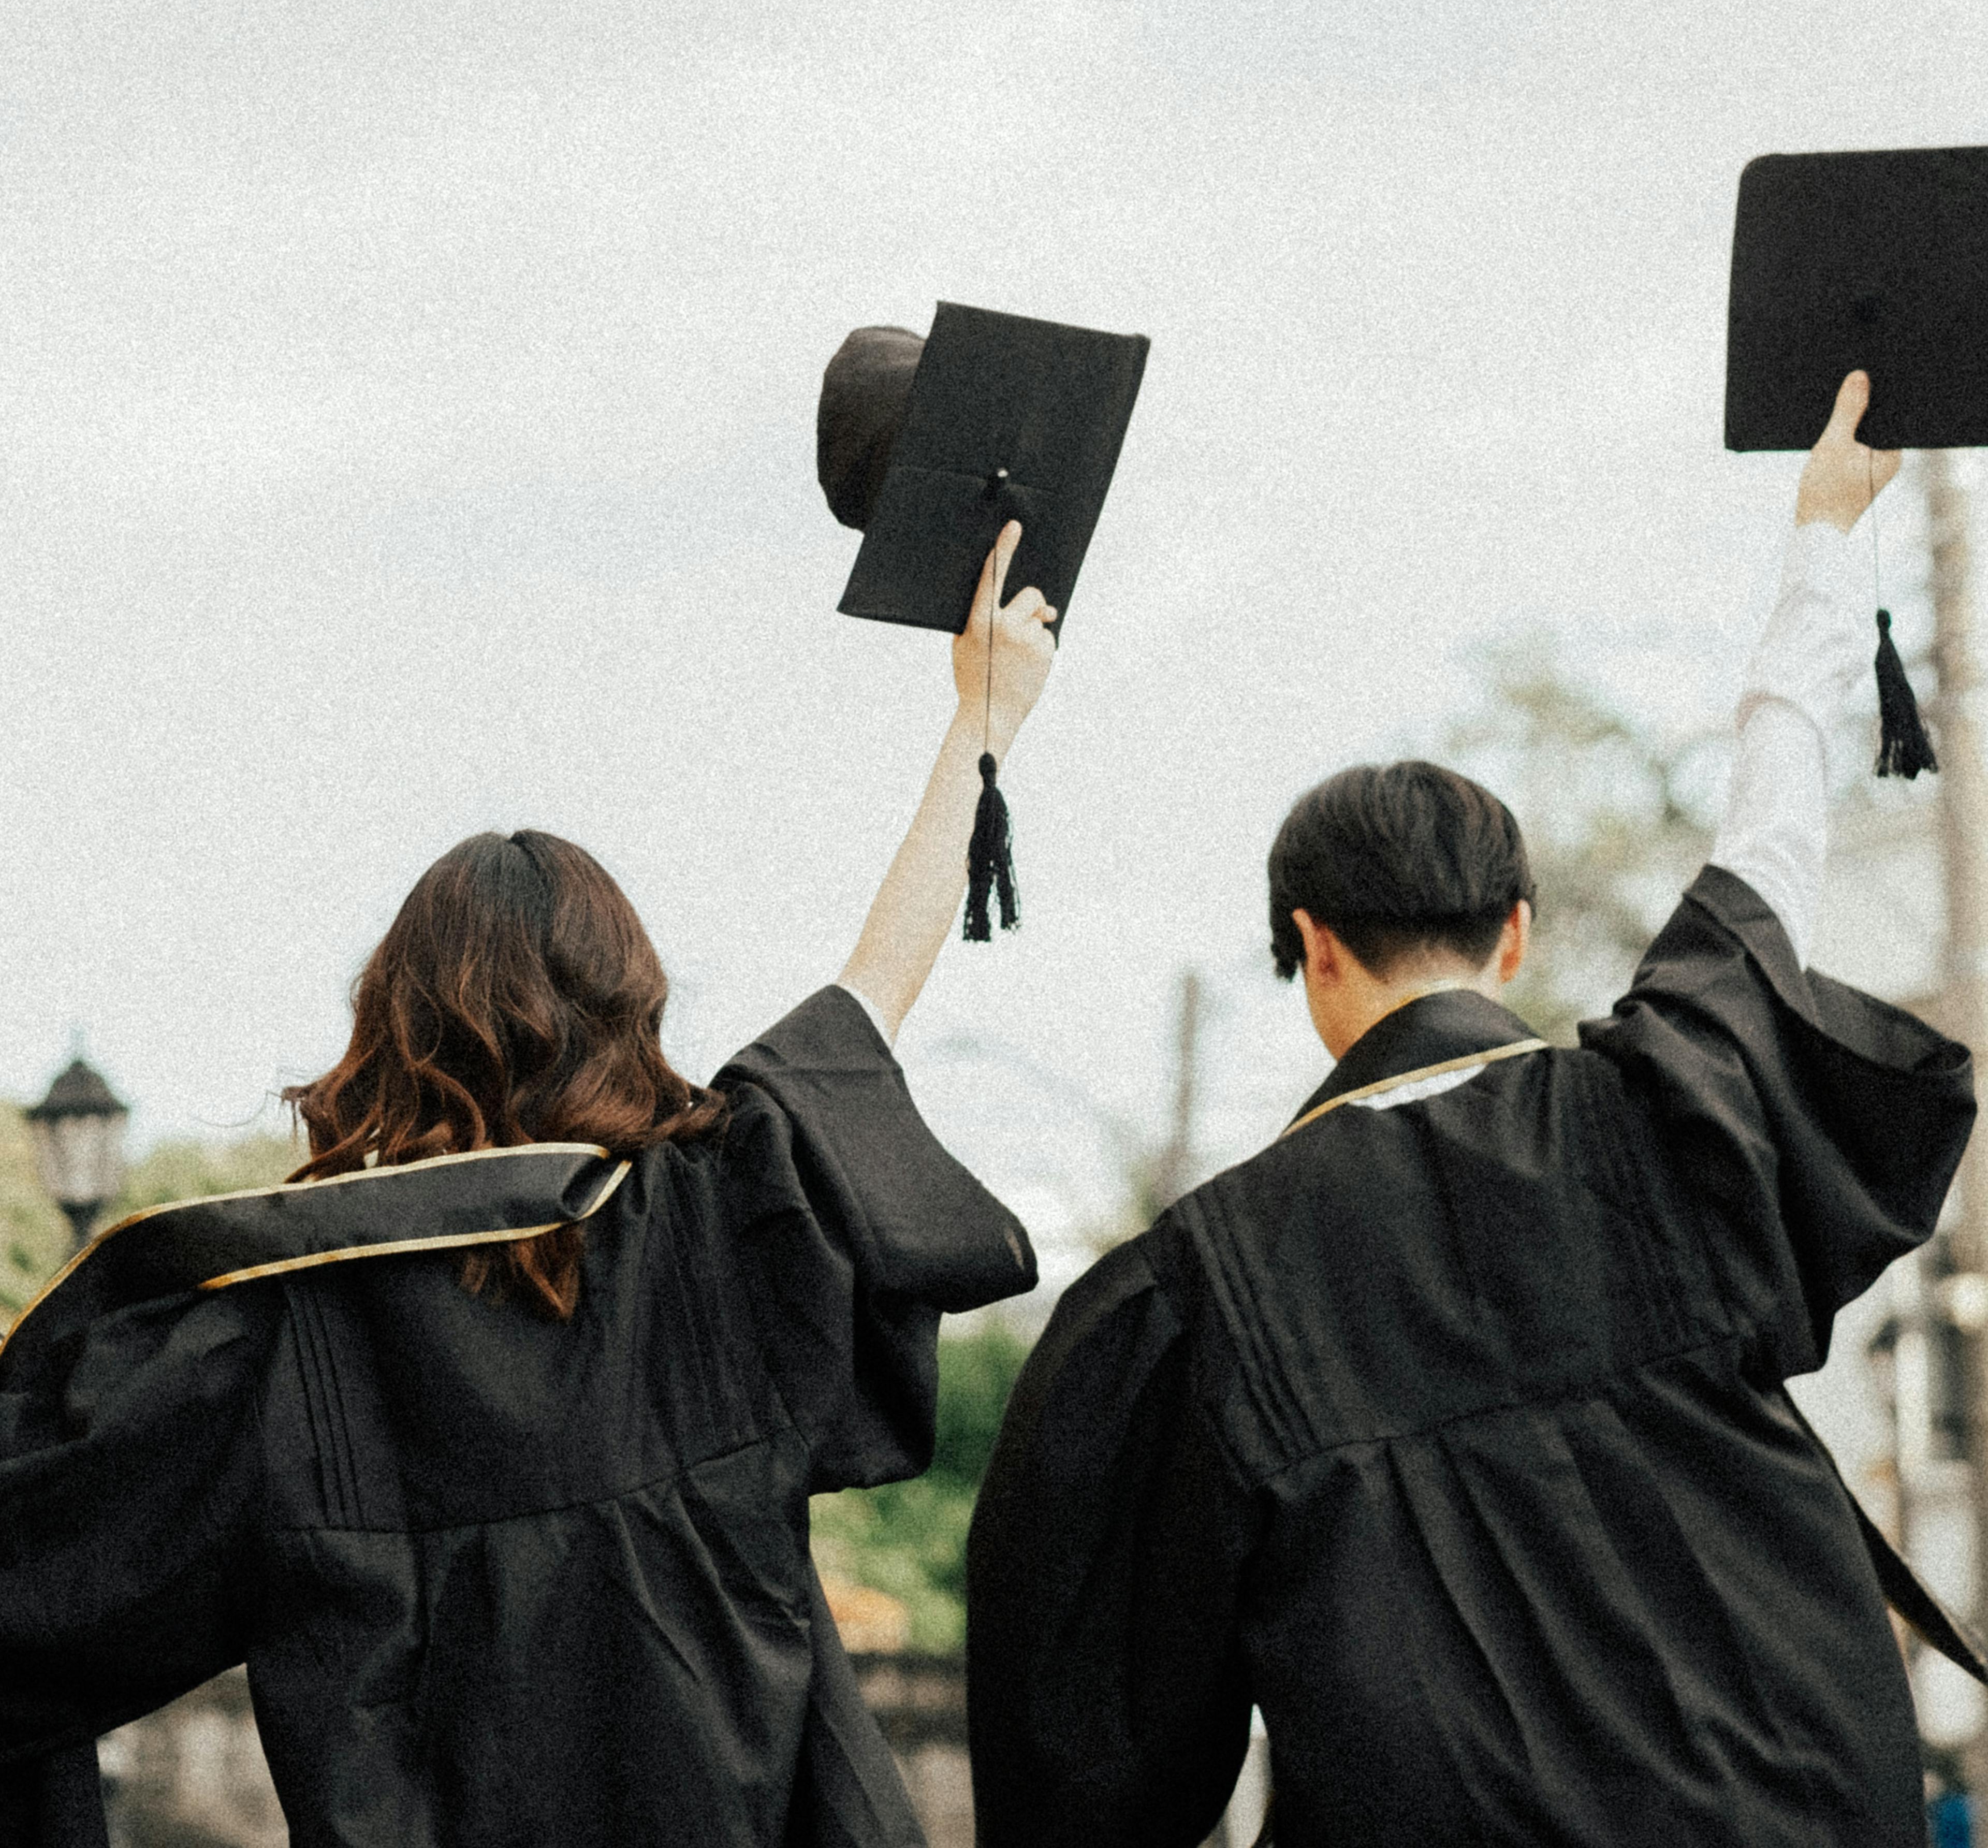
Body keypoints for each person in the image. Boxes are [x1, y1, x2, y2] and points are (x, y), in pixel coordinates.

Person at [965, 374, 1977, 1848]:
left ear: (1308, 946)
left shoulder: (1196, 1292)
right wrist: (1823, 534)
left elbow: (1096, 1753)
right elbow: (1777, 825)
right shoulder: (1666, 1113)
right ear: (1513, 933)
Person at [0, 523, 1056, 1848]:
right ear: (631, 1007)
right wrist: (986, 709)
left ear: (391, 1026)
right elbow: (875, 990)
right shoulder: (726, 1225)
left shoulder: (282, 1336)